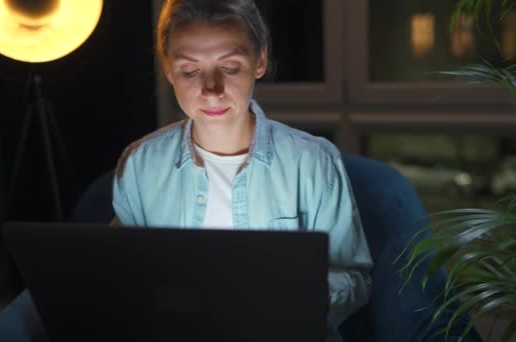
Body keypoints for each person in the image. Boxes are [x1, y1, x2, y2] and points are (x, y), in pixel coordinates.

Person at [111, 0, 373, 340]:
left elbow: (355, 277)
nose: (211, 90)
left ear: (260, 60)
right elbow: (119, 275)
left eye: (230, 68)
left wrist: (287, 294)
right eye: (191, 71)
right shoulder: (139, 165)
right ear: (168, 69)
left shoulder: (313, 162)